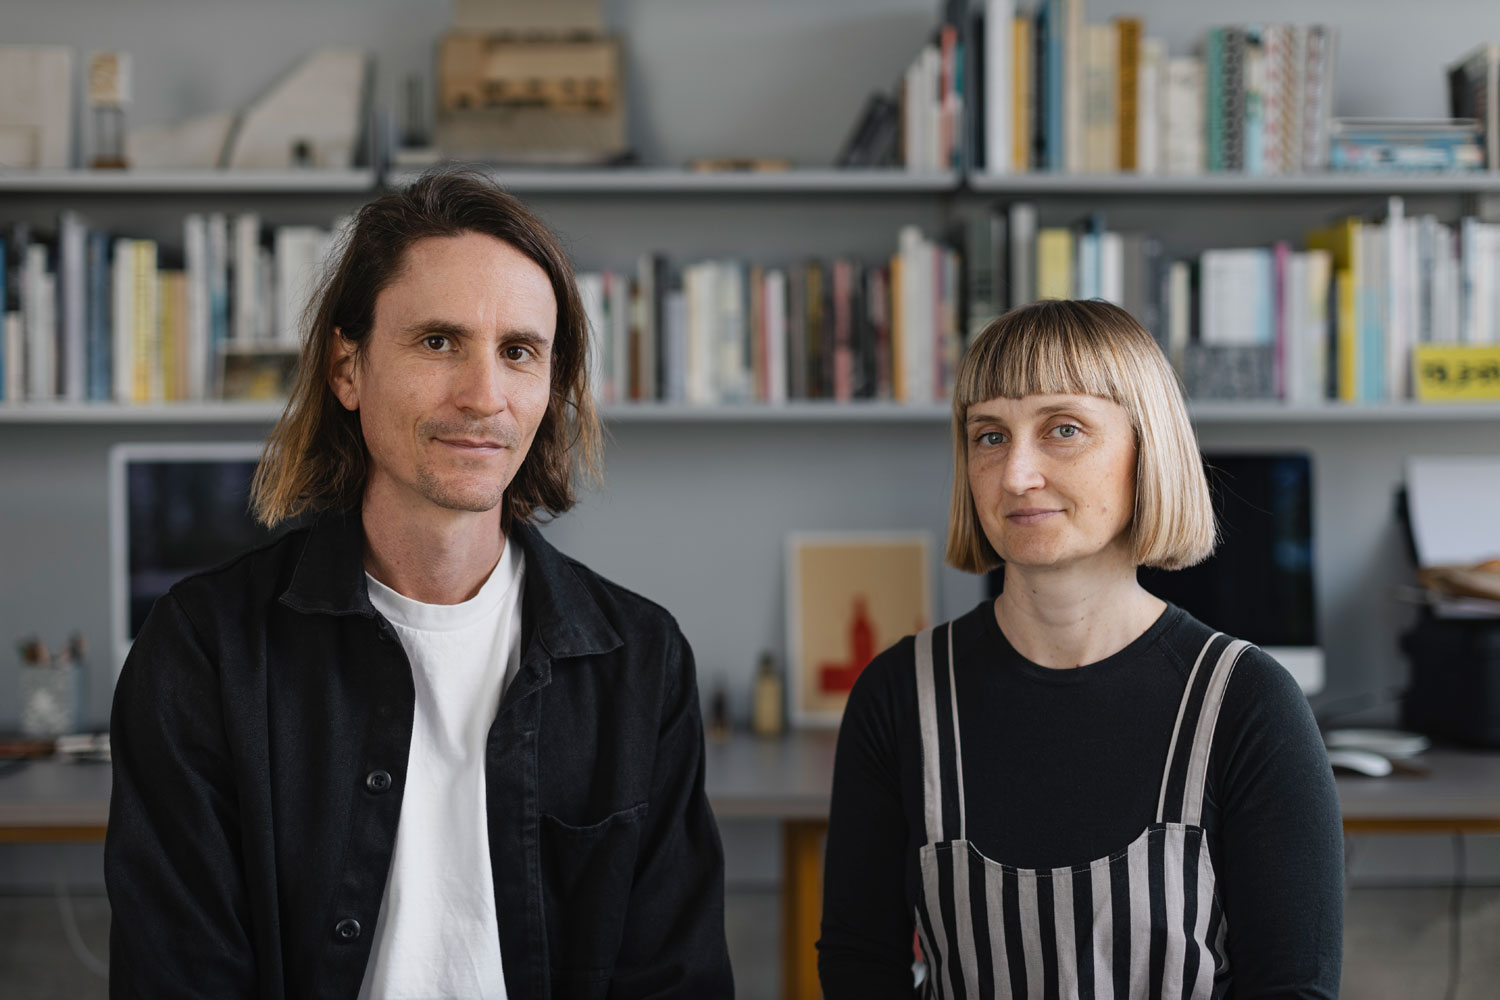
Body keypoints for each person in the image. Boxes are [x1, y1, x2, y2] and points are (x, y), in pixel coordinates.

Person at [106, 169, 734, 999]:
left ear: (549, 387)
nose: (483, 397)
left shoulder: (641, 662)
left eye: (518, 352)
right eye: (439, 342)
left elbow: (675, 981)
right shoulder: (203, 652)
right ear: (347, 368)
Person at [818, 299, 1343, 999]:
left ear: (1147, 450)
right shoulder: (897, 696)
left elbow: (1293, 988)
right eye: (989, 436)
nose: (1015, 475)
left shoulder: (1247, 702)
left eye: (1063, 429)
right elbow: (858, 964)